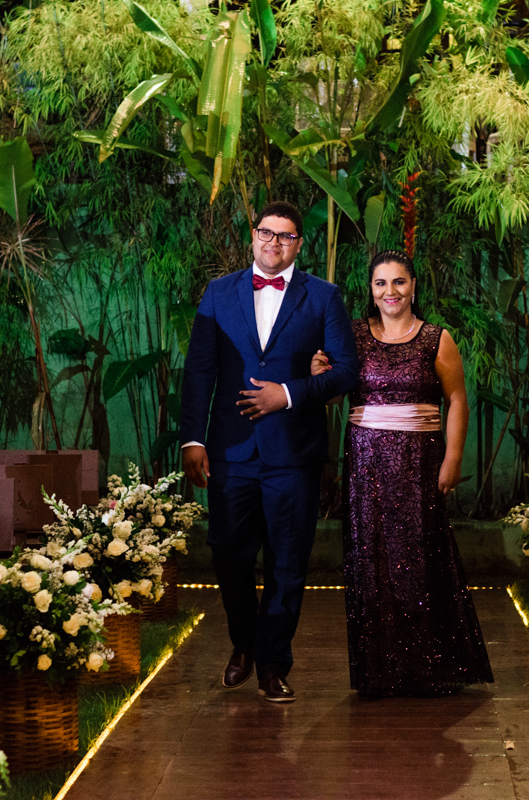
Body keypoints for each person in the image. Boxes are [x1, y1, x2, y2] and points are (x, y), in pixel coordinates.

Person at [180, 201, 359, 703]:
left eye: (286, 236)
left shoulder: (323, 296)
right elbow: (199, 371)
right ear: (253, 236)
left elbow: (346, 371)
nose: (274, 242)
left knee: (287, 562)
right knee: (228, 554)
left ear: (299, 244)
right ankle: (244, 643)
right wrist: (193, 438)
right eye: (266, 232)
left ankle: (273, 663)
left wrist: (288, 393)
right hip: (230, 450)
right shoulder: (219, 292)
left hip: (294, 452)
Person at [312, 250, 493, 698]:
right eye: (381, 283)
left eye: (399, 282)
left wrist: (453, 458)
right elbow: (333, 399)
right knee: (370, 561)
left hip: (419, 463)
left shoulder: (436, 339)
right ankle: (379, 670)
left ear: (413, 287)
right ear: (371, 291)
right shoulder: (353, 335)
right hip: (366, 464)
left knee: (419, 557)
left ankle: (428, 667)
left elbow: (457, 400)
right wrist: (319, 376)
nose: (390, 291)